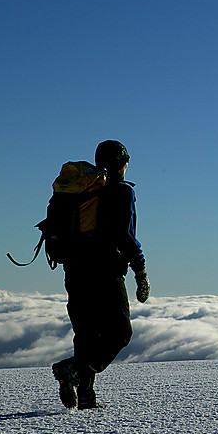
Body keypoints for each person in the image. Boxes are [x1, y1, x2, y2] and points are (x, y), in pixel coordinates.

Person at [51, 140, 150, 409]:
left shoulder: (81, 191)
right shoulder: (121, 192)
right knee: (120, 333)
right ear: (122, 164)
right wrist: (140, 271)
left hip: (74, 269)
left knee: (86, 333)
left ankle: (85, 397)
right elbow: (126, 236)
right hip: (105, 271)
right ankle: (72, 370)